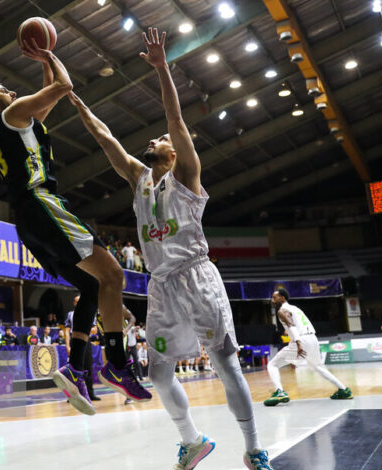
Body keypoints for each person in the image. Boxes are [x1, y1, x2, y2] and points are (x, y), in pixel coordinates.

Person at [68, 28, 270, 469]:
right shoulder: (140, 179)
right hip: (162, 286)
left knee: (225, 363)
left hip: (197, 276)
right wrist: (77, 102)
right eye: (157, 138)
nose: (157, 139)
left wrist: (162, 69)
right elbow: (106, 140)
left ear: (175, 154)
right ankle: (193, 440)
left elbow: (177, 122)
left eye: (162, 139)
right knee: (158, 373)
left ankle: (254, 449)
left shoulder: (188, 176)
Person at [0, 37, 146, 416]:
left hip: (29, 219)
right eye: (4, 90)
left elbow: (47, 99)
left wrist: (42, 64)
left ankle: (77, 365)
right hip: (42, 203)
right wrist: (51, 55)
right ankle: (116, 363)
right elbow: (63, 89)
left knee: (92, 284)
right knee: (114, 274)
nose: (12, 91)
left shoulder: (18, 124)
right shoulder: (11, 114)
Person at [265, 288, 353, 407]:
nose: (272, 300)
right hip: (313, 338)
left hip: (301, 340)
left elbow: (292, 326)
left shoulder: (282, 310)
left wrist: (298, 342)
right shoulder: (296, 308)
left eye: (275, 297)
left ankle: (279, 392)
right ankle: (344, 390)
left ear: (282, 298)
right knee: (318, 366)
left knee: (272, 365)